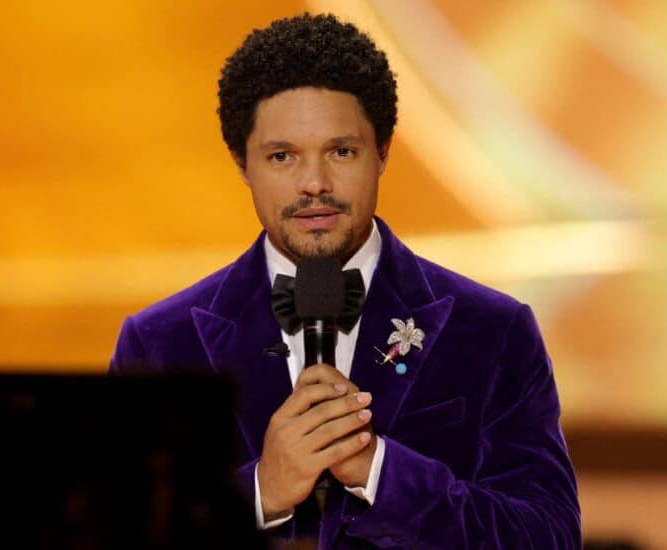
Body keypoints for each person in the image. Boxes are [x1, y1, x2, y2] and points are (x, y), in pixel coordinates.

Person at [111, 13, 580, 548]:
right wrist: (260, 493)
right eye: (282, 156)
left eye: (341, 152)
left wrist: (378, 470)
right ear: (242, 163)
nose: (315, 183)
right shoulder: (159, 343)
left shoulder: (494, 332)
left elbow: (550, 536)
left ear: (383, 152)